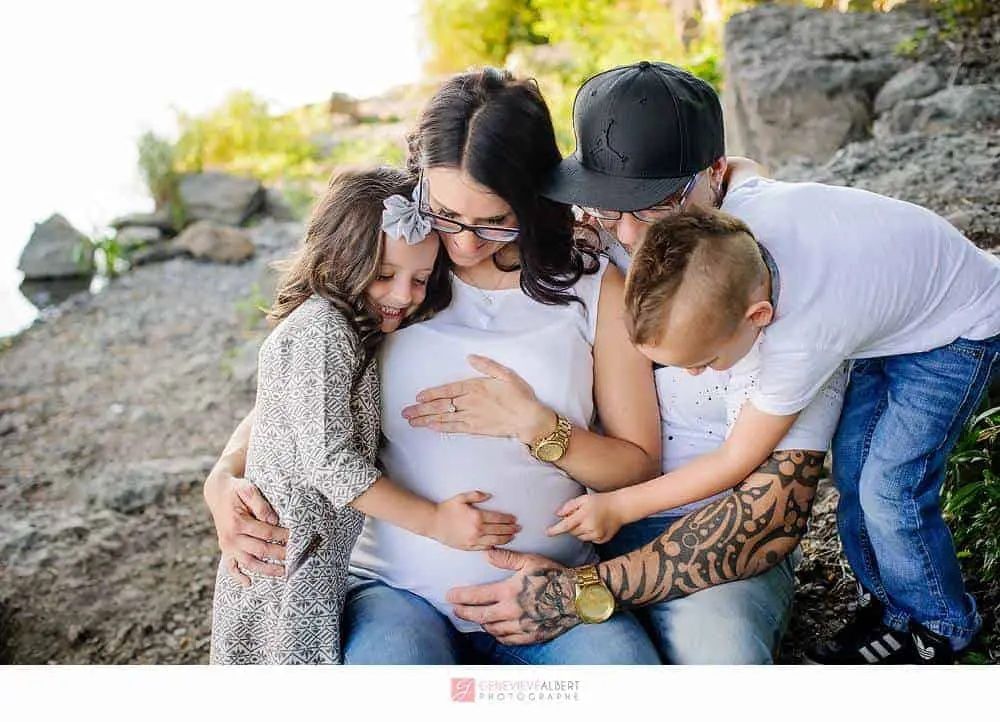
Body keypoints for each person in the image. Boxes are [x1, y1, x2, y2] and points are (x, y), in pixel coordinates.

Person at [448, 60, 1000, 665]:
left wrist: (604, 549)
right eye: (608, 205)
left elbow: (758, 484)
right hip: (888, 308)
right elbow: (745, 174)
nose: (628, 234)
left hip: (952, 331)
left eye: (653, 203)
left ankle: (938, 627)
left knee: (887, 486)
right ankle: (892, 606)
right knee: (862, 475)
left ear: (712, 176)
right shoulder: (659, 223)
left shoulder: (785, 311)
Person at [204, 68, 663, 664]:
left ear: (536, 196)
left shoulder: (595, 285)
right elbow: (296, 395)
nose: (466, 243)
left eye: (496, 219)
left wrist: (537, 427)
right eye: (446, 214)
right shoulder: (393, 276)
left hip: (545, 583)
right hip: (394, 590)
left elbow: (637, 468)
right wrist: (222, 477)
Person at [210, 168, 528, 663]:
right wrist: (436, 522)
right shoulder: (325, 331)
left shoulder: (354, 326)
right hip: (286, 562)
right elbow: (330, 463)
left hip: (313, 560)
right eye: (385, 275)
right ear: (338, 256)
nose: (404, 295)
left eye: (420, 279)